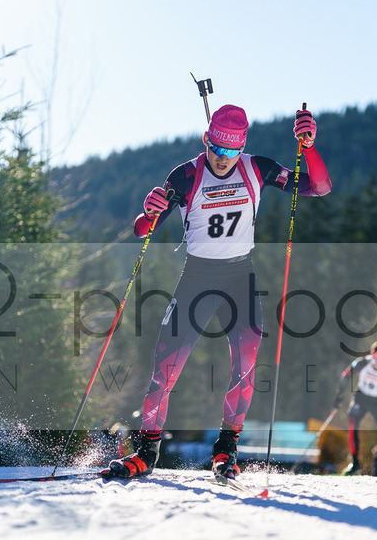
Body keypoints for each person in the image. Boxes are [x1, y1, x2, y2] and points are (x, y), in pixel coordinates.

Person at [103, 104, 332, 480]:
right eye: (216, 149)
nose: (223, 159)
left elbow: (319, 187)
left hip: (239, 277)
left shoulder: (257, 168)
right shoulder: (186, 175)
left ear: (241, 147)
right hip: (197, 277)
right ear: (206, 140)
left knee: (245, 365)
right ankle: (146, 451)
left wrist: (307, 147)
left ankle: (226, 451)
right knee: (165, 367)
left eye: (231, 151)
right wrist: (150, 210)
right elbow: (143, 230)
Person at [331, 341, 377, 476]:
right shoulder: (363, 362)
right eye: (375, 359)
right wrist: (339, 396)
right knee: (353, 425)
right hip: (361, 398)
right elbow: (346, 375)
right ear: (372, 355)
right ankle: (355, 464)